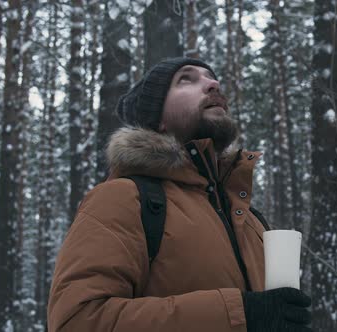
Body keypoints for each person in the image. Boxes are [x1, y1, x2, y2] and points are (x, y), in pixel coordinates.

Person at [47, 57, 312, 332]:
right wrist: (239, 314)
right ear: (158, 119)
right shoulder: (125, 198)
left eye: (211, 77)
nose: (213, 84)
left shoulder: (250, 221)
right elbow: (77, 320)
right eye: (187, 79)